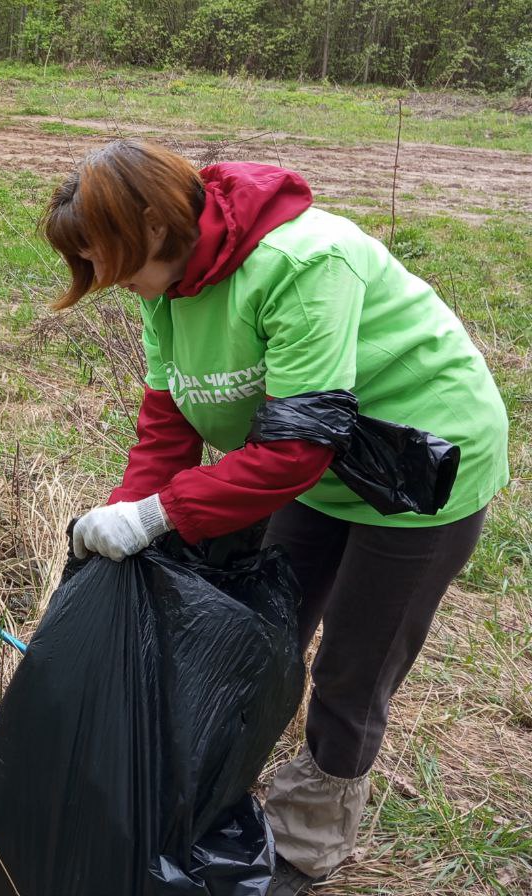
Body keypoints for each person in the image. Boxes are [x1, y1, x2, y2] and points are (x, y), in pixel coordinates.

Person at [42, 140, 508, 894]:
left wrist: (161, 516)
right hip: (315, 467)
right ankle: (208, 795)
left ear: (158, 225)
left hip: (423, 472)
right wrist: (126, 513)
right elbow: (168, 426)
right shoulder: (164, 292)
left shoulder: (304, 261)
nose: (110, 281)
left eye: (112, 258)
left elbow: (293, 452)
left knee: (352, 668)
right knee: (249, 635)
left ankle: (307, 840)